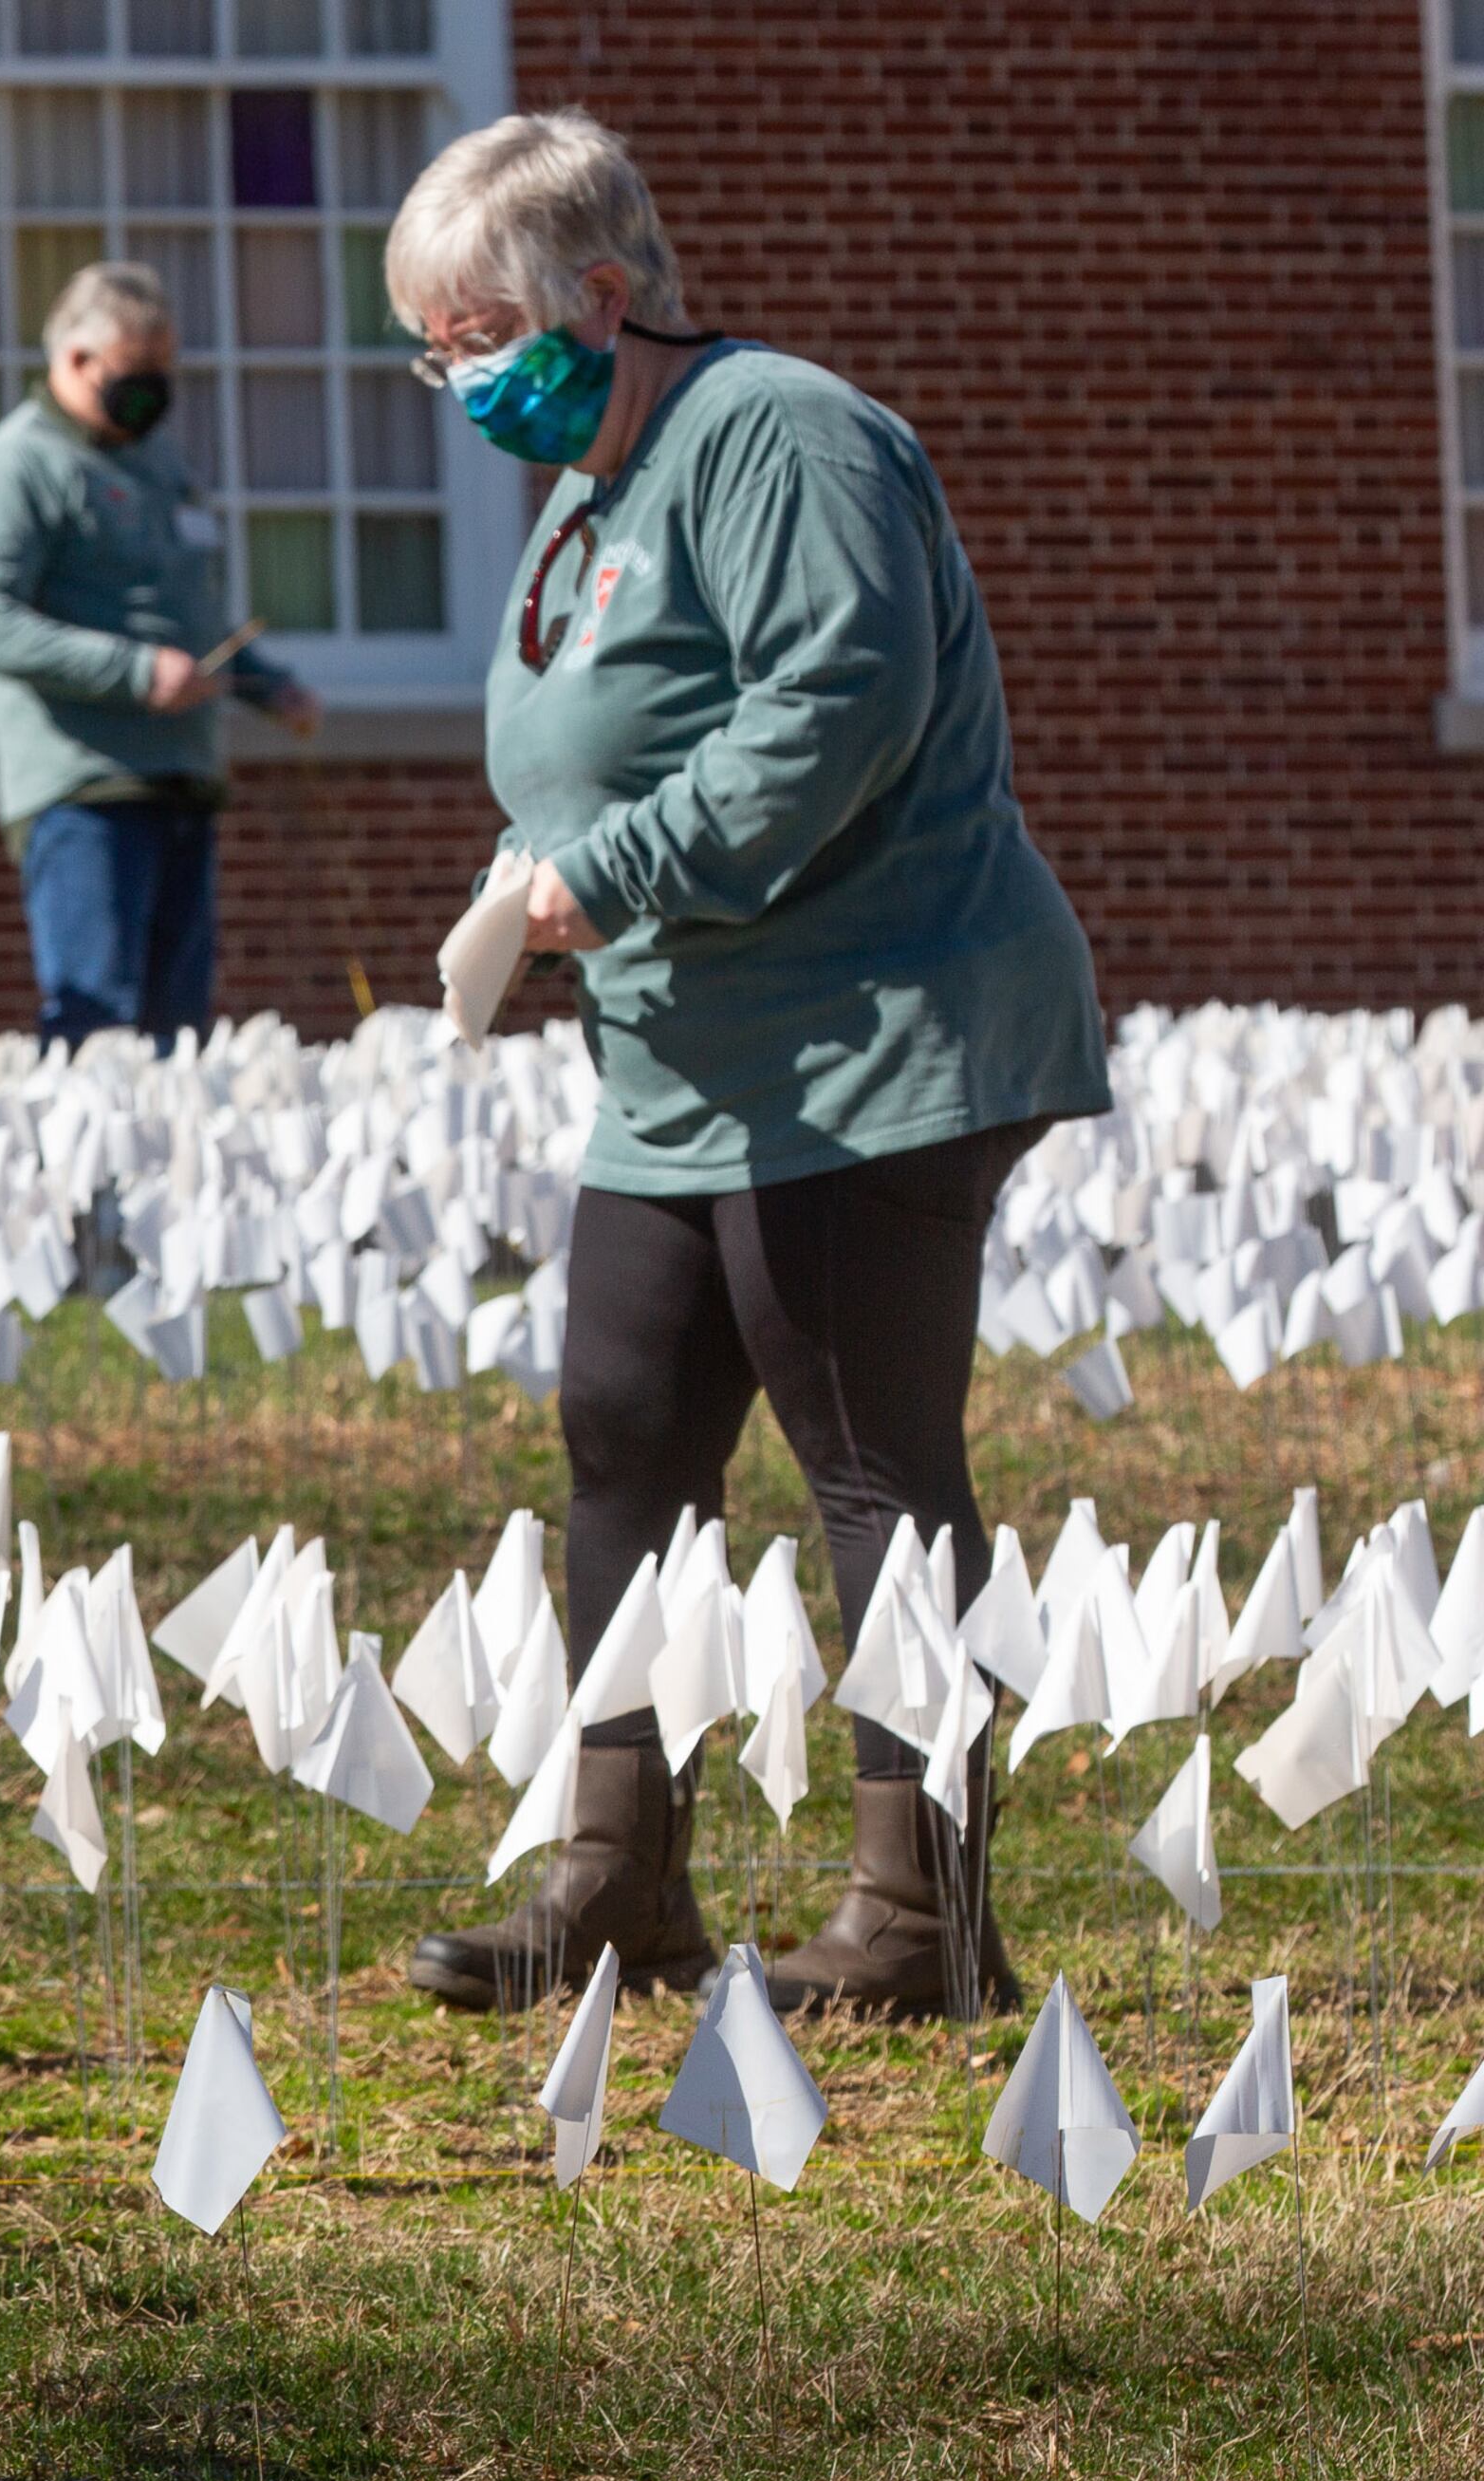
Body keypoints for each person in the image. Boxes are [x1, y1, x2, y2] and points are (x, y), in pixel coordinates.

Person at [386, 111, 1110, 2023]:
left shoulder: (785, 437)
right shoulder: (589, 486)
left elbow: (832, 708)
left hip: (877, 1032)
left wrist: (603, 877)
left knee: (870, 1459)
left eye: (475, 330)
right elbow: (592, 745)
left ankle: (920, 1910)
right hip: (684, 1057)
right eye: (433, 343)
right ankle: (619, 1880)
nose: (453, 375)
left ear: (603, 297)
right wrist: (518, 882)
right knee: (623, 1426)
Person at [0, 260, 323, 1052]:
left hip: (182, 776)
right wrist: (136, 672)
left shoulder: (161, 466)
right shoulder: (18, 464)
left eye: (164, 368)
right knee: (98, 1035)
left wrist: (266, 686)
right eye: (135, 371)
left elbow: (195, 618)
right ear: (75, 360)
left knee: (175, 1038)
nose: (153, 387)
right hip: (87, 789)